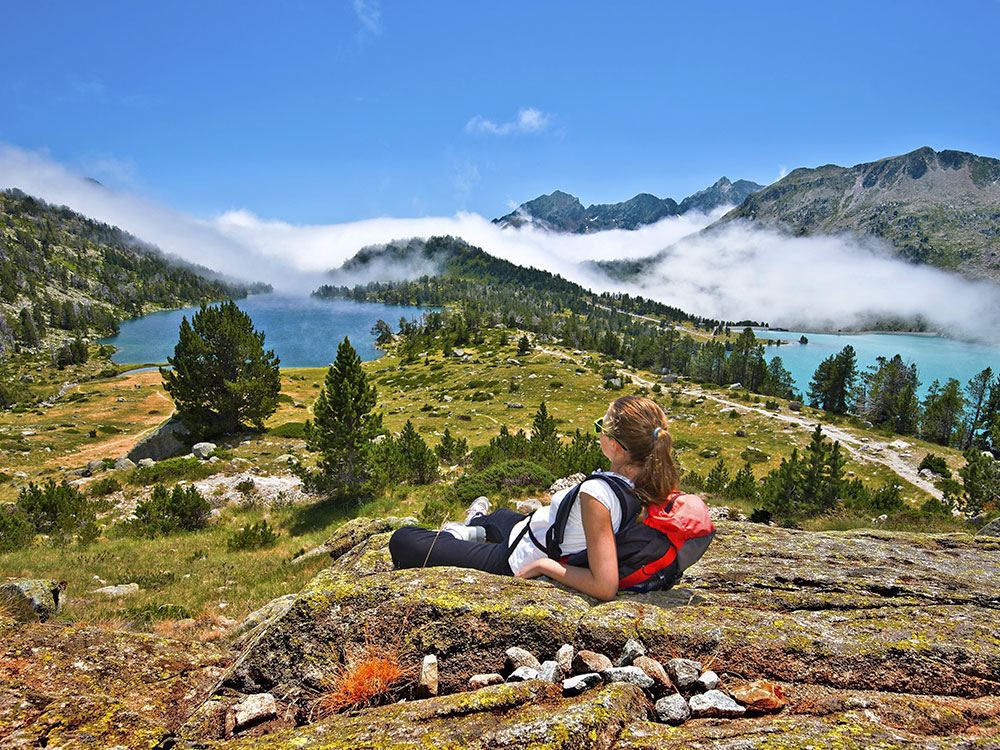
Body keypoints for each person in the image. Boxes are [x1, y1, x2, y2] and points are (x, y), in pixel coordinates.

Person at [388, 395, 680, 601]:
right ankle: (476, 524)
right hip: (531, 529)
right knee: (501, 516)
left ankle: (458, 534)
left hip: (515, 558)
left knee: (403, 540)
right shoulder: (652, 481)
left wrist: (544, 567)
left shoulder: (598, 495)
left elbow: (605, 586)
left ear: (615, 445)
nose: (597, 433)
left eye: (599, 427)